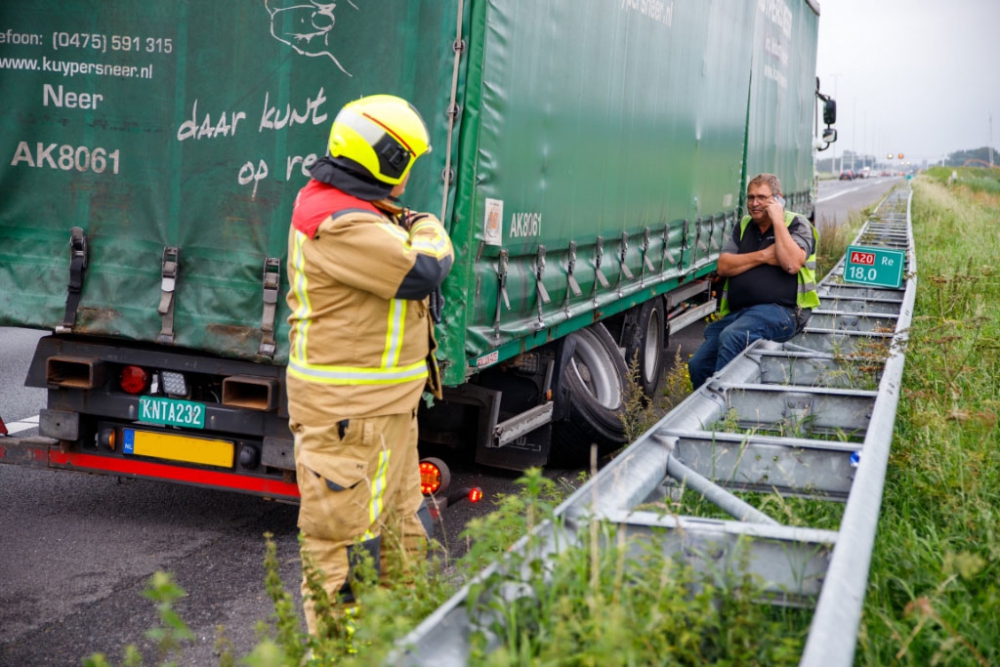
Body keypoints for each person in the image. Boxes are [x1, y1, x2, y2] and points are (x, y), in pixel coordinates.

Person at [284, 94, 454, 635]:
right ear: (385, 158)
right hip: (349, 417)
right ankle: (342, 653)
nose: (408, 178)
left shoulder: (359, 209)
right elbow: (425, 269)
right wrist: (425, 224)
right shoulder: (338, 221)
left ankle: (395, 642)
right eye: (406, 162)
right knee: (349, 556)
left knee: (402, 538)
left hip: (384, 414)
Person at [688, 173, 819, 388]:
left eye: (762, 197)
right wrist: (765, 256)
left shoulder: (796, 224)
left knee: (733, 336)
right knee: (699, 364)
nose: (754, 203)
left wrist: (777, 220)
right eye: (750, 197)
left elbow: (792, 263)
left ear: (778, 199)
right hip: (743, 312)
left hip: (783, 311)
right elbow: (724, 266)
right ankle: (703, 416)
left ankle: (726, 410)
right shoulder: (744, 225)